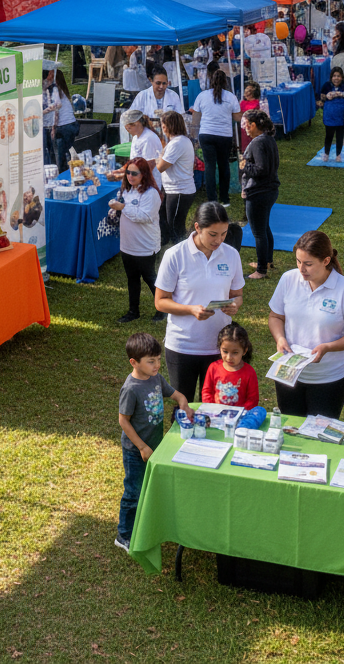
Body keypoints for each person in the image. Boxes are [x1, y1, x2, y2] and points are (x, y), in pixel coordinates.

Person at [267, 230, 344, 419]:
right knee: (291, 431)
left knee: (319, 440)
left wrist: (328, 347)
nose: (301, 269)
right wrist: (280, 339)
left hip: (327, 380)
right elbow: (275, 316)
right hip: (288, 375)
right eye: (298, 261)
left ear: (326, 261)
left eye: (308, 264)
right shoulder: (288, 280)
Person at [154, 202, 244, 401]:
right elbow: (160, 302)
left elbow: (237, 293)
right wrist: (190, 309)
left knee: (214, 408)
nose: (219, 240)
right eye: (213, 234)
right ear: (197, 227)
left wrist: (236, 304)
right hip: (182, 346)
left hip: (219, 346)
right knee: (183, 407)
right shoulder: (175, 256)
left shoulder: (231, 255)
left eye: (224, 234)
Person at [115, 331, 191, 552]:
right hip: (136, 451)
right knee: (133, 492)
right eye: (151, 361)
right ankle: (124, 535)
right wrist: (141, 446)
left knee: (149, 488)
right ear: (134, 362)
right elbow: (123, 421)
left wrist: (183, 401)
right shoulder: (131, 389)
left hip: (155, 446)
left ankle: (147, 522)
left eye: (158, 360)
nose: (157, 365)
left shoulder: (155, 378)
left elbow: (173, 393)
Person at [109, 158, 163, 323]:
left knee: (149, 278)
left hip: (145, 245)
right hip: (127, 245)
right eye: (128, 172)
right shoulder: (127, 190)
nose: (130, 176)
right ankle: (133, 311)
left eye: (134, 173)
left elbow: (144, 217)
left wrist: (123, 207)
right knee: (132, 279)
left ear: (144, 174)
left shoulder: (151, 193)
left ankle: (163, 309)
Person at [191, 69, 241, 205]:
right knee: (224, 165)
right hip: (224, 135)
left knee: (210, 167)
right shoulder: (231, 97)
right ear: (226, 82)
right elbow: (237, 117)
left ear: (210, 81)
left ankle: (212, 200)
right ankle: (225, 199)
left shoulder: (202, 96)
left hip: (206, 134)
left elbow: (195, 118)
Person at [240, 109, 279, 280]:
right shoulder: (269, 140)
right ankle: (267, 261)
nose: (245, 128)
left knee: (258, 232)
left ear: (254, 125)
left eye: (247, 124)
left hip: (259, 192)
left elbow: (260, 169)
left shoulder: (257, 143)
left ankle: (261, 269)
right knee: (264, 227)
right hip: (269, 190)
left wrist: (244, 165)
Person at [155, 110, 195, 245]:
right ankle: (166, 244)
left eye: (163, 125)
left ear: (168, 126)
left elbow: (161, 167)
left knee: (176, 227)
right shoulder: (179, 141)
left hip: (180, 191)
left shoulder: (177, 143)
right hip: (173, 189)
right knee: (165, 219)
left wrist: (159, 157)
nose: (162, 128)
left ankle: (184, 253)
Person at [200, 323, 259, 409]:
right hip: (216, 416)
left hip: (239, 418)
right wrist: (212, 408)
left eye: (235, 353)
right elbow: (207, 392)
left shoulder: (249, 372)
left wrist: (241, 413)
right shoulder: (213, 368)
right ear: (219, 348)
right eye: (225, 351)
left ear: (244, 351)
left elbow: (253, 399)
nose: (229, 357)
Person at [108, 110, 162, 189]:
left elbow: (148, 167)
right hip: (138, 184)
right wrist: (120, 170)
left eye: (129, 127)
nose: (128, 129)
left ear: (137, 124)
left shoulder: (148, 139)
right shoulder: (136, 137)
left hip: (149, 186)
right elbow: (133, 161)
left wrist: (122, 176)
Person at [317, 66, 344, 162]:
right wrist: (327, 96)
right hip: (330, 115)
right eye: (334, 76)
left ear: (342, 77)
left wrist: (342, 94)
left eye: (338, 76)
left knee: (340, 136)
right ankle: (326, 154)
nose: (336, 78)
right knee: (329, 135)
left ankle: (338, 155)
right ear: (331, 77)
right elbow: (322, 98)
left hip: (341, 116)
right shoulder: (326, 86)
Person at [238, 81, 260, 153]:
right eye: (246, 91)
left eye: (249, 91)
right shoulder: (243, 102)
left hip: (252, 125)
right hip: (244, 126)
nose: (246, 93)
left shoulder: (256, 103)